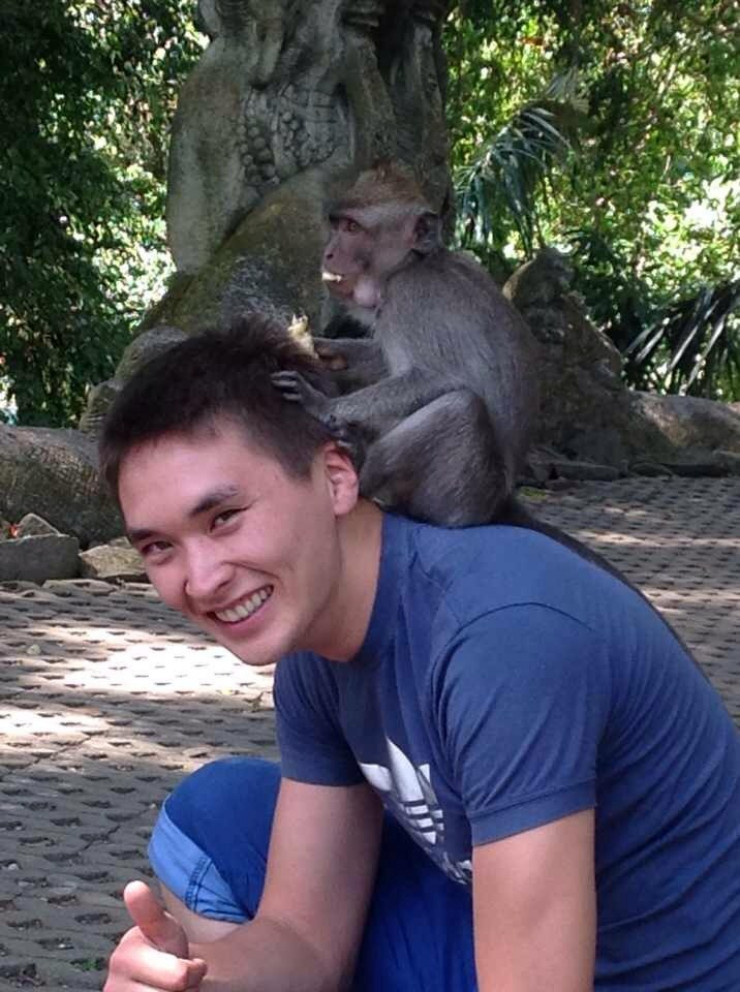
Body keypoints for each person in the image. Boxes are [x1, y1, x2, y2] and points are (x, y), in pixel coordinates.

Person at [100, 315, 740, 991]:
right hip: (497, 930)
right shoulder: (314, 643)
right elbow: (304, 942)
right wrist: (190, 978)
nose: (200, 581)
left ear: (336, 477)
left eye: (224, 518)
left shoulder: (500, 637)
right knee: (214, 816)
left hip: (650, 975)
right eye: (160, 547)